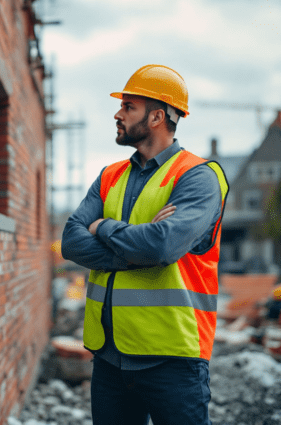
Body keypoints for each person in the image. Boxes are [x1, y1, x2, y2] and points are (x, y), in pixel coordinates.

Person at [61, 64, 229, 425]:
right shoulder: (109, 176)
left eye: (128, 107)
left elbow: (162, 246)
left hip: (172, 360)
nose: (117, 114)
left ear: (156, 116)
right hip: (109, 357)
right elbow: (72, 243)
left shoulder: (198, 178)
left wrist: (102, 225)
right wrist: (139, 247)